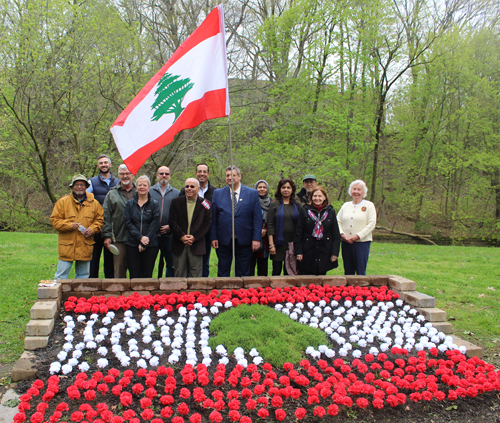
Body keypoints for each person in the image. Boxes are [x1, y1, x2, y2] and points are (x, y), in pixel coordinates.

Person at [210, 166, 262, 277]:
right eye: (227, 175)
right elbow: (213, 218)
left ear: (239, 176)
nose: (230, 178)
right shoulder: (217, 193)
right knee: (223, 272)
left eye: (233, 175)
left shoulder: (252, 194)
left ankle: (240, 294)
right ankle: (224, 293)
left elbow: (257, 218)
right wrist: (213, 237)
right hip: (224, 241)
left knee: (243, 273)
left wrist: (256, 238)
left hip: (244, 240)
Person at [50, 174, 104, 279]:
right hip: (67, 246)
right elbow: (55, 221)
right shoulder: (62, 202)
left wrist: (92, 229)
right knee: (61, 276)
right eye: (77, 185)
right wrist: (70, 225)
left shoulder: (94, 203)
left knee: (83, 277)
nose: (79, 187)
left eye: (82, 185)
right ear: (72, 187)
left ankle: (80, 295)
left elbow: (100, 220)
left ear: (86, 187)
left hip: (85, 245)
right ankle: (57, 295)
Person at [169, 178, 212, 278]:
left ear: (197, 188)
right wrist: (182, 236)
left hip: (196, 244)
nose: (189, 189)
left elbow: (207, 223)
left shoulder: (205, 204)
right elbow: (172, 221)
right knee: (179, 273)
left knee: (196, 274)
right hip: (179, 244)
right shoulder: (176, 202)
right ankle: (179, 294)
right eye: (187, 186)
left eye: (192, 186)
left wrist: (195, 237)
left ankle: (195, 294)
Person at [179, 163, 216, 277]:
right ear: (196, 173)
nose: (202, 174)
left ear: (208, 174)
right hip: (187, 234)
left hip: (205, 234)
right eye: (199, 171)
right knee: (186, 263)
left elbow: (213, 213)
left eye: (204, 171)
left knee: (204, 263)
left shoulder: (215, 192)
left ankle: (202, 287)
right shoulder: (185, 190)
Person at [294, 186, 340, 275]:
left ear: (324, 197)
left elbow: (335, 234)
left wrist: (335, 253)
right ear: (311, 197)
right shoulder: (305, 210)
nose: (317, 198)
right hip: (308, 249)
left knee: (321, 277)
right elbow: (299, 233)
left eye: (320, 196)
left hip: (324, 249)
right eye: (315, 196)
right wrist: (298, 251)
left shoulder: (330, 211)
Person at [101, 165, 137, 278]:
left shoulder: (140, 191)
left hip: (136, 239)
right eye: (122, 174)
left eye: (127, 173)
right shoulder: (112, 194)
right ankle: (119, 295)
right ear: (118, 175)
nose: (125, 176)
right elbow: (106, 216)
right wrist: (107, 236)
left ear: (133, 175)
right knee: (119, 272)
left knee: (136, 273)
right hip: (118, 238)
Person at [337, 180, 377, 275]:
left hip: (362, 243)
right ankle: (348, 289)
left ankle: (361, 288)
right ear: (350, 191)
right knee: (348, 270)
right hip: (346, 242)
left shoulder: (369, 205)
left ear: (363, 192)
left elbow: (371, 223)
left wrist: (357, 236)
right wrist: (342, 235)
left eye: (359, 189)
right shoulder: (345, 205)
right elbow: (337, 221)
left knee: (360, 270)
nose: (356, 192)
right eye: (354, 189)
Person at [124, 175, 160, 278]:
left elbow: (154, 223)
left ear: (149, 187)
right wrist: (140, 238)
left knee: (147, 275)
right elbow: (128, 223)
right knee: (134, 274)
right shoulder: (130, 204)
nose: (142, 187)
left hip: (151, 244)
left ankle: (146, 295)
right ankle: (134, 294)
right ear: (136, 187)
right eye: (140, 185)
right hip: (132, 243)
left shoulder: (154, 204)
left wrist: (146, 239)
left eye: (145, 185)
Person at [87, 154, 118, 278]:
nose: (103, 165)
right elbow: (87, 203)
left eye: (106, 162)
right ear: (97, 166)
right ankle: (92, 285)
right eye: (101, 163)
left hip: (113, 227)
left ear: (110, 165)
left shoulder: (118, 182)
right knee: (93, 259)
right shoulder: (91, 182)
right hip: (97, 226)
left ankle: (110, 286)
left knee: (110, 260)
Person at [149, 166, 179, 278]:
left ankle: (169, 289)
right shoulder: (149, 192)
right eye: (161, 173)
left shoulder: (176, 193)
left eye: (167, 173)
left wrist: (171, 227)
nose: (164, 175)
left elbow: (180, 215)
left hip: (170, 236)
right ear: (157, 175)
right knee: (149, 263)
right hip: (152, 235)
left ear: (170, 176)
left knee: (171, 264)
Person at [267, 179, 301, 276]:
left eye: (288, 187)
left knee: (290, 271)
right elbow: (270, 225)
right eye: (283, 187)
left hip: (293, 244)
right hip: (278, 244)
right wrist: (271, 245)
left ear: (292, 190)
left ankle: (289, 291)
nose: (286, 190)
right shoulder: (274, 204)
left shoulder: (297, 205)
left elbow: (301, 225)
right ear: (280, 189)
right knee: (276, 271)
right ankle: (275, 291)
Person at [251, 180, 272, 276]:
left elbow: (273, 220)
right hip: (251, 236)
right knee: (250, 266)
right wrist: (256, 231)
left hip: (265, 238)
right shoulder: (250, 201)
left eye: (264, 187)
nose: (262, 189)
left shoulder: (272, 203)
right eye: (259, 187)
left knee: (263, 266)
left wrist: (266, 230)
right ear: (256, 188)